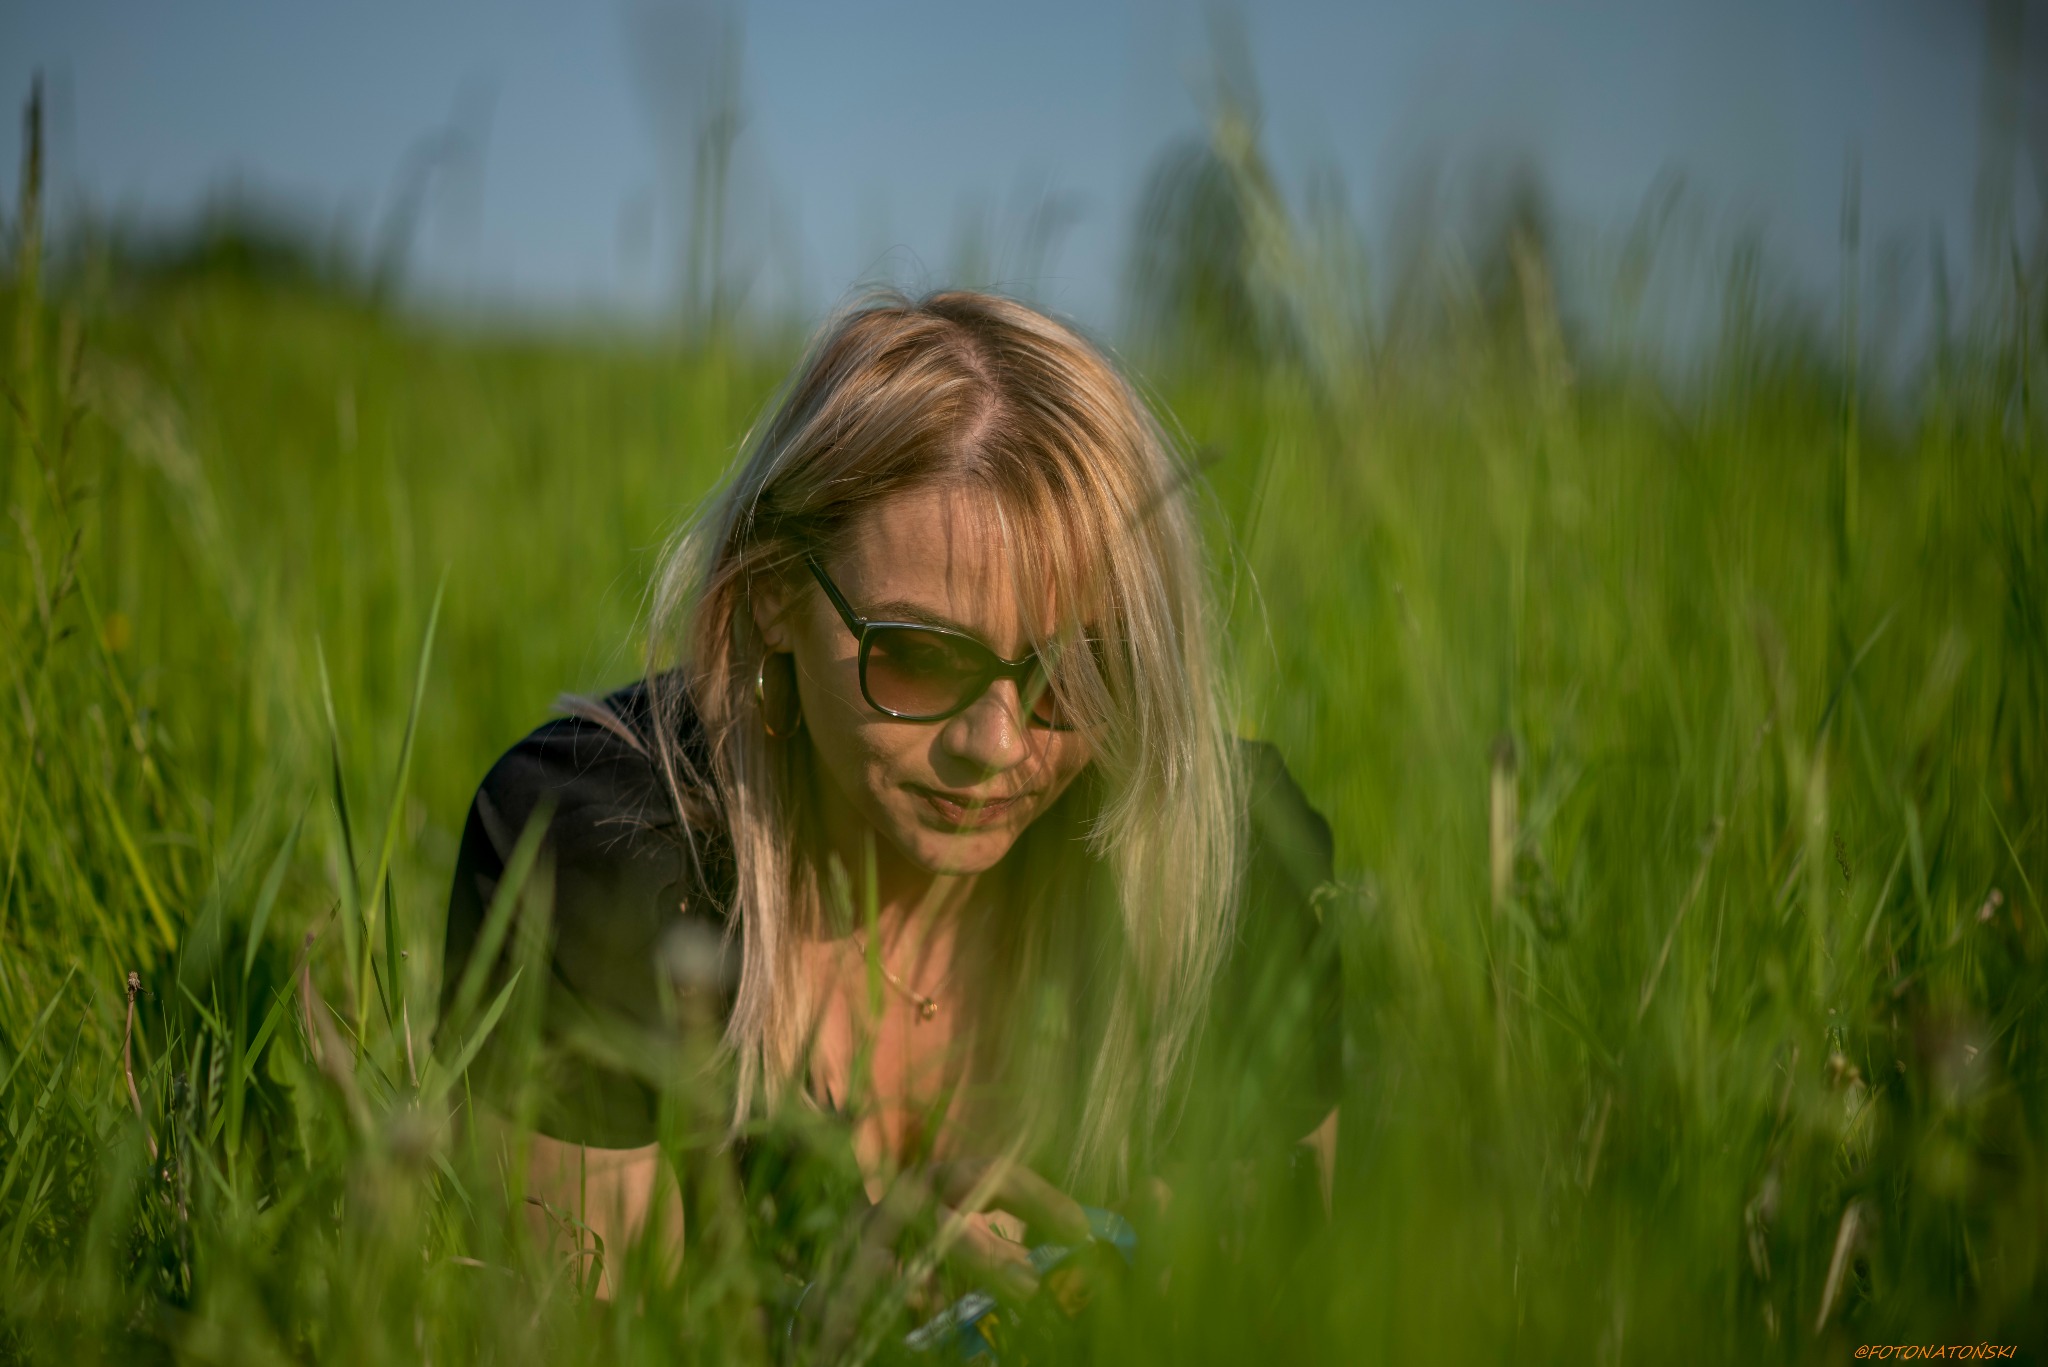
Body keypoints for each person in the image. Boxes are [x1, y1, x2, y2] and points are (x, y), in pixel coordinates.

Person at [440, 290, 1341, 1334]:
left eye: (1079, 670)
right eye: (915, 656)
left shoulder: (1218, 862)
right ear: (773, 591)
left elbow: (1280, 1318)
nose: (994, 744)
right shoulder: (598, 854)